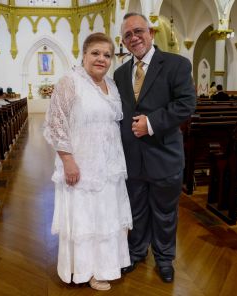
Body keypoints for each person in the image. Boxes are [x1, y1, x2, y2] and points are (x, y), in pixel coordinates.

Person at [43, 32, 132, 291]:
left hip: (109, 164)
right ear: (84, 54)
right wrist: (68, 161)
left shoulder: (112, 86)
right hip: (81, 165)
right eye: (96, 53)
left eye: (107, 55)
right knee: (86, 219)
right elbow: (55, 124)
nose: (101, 59)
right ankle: (85, 269)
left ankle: (104, 267)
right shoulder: (70, 82)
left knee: (105, 217)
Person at [114, 13, 196, 283]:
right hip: (133, 158)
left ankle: (164, 258)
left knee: (164, 213)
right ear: (124, 42)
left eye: (138, 31)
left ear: (150, 32)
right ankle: (136, 252)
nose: (134, 37)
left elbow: (186, 104)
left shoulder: (176, 64)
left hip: (164, 155)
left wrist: (151, 123)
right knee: (136, 211)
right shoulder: (120, 72)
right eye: (128, 35)